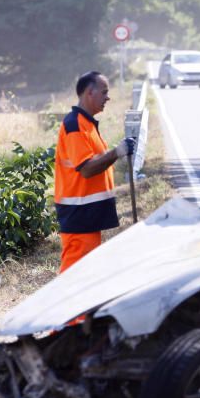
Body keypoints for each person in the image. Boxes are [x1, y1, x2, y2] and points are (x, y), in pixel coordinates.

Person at [55, 71, 135, 273]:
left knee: (85, 273)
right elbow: (87, 169)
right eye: (104, 92)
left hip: (87, 213)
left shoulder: (87, 124)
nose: (108, 97)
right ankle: (66, 306)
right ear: (89, 92)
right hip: (79, 214)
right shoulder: (74, 125)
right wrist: (117, 152)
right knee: (74, 275)